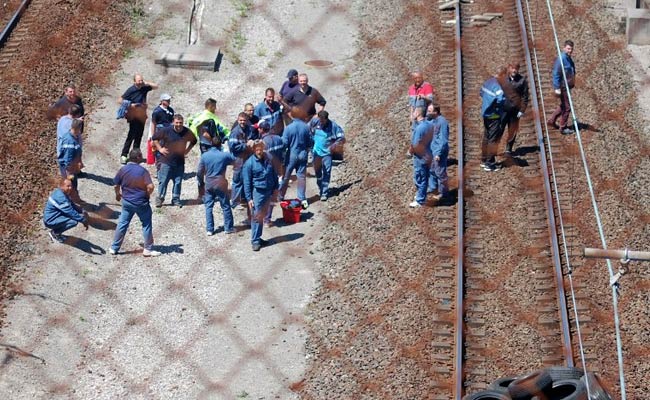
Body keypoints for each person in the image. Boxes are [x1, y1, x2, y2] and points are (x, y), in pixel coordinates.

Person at [109, 149, 160, 257]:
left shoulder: (123, 170)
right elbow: (150, 186)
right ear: (137, 157)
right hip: (141, 203)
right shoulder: (142, 171)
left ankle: (114, 248)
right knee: (146, 224)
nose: (142, 157)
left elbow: (115, 185)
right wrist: (147, 194)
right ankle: (147, 249)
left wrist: (118, 194)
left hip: (127, 202)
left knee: (122, 223)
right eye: (141, 155)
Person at [151, 114, 197, 207]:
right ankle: (160, 198)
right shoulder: (166, 130)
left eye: (180, 123)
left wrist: (186, 151)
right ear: (173, 122)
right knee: (163, 181)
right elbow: (154, 138)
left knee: (178, 182)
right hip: (166, 161)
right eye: (177, 122)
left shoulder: (186, 131)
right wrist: (160, 149)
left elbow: (194, 140)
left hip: (179, 162)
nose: (179, 125)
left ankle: (175, 199)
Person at [242, 140, 279, 251]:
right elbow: (247, 183)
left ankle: (258, 237)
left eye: (260, 149)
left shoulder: (268, 159)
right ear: (253, 150)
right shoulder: (249, 164)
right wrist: (249, 198)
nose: (259, 151)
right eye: (257, 149)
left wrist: (275, 188)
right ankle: (255, 241)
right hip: (258, 193)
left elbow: (273, 174)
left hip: (268, 191)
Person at [197, 136, 237, 236]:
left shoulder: (205, 156)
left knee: (208, 207)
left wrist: (201, 183)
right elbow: (235, 161)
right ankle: (228, 228)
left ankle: (210, 229)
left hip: (209, 183)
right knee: (225, 206)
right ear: (220, 144)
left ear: (211, 143)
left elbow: (199, 172)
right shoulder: (224, 155)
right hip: (221, 182)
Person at [117, 74, 159, 164]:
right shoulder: (131, 90)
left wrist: (146, 83)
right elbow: (120, 100)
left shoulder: (144, 87)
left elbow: (156, 86)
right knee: (131, 135)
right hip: (133, 115)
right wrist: (131, 105)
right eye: (138, 81)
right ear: (134, 81)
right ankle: (124, 155)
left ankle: (135, 155)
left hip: (142, 115)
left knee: (139, 135)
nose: (140, 82)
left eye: (141, 80)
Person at [309, 110, 345, 201]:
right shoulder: (314, 122)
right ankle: (320, 184)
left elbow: (341, 137)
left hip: (327, 154)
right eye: (319, 120)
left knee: (327, 172)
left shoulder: (333, 126)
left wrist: (334, 146)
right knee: (318, 173)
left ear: (326, 119)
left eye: (322, 121)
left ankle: (324, 192)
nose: (321, 122)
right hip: (316, 153)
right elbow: (308, 132)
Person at [279, 114, 312, 208]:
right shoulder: (306, 127)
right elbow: (310, 141)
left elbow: (284, 143)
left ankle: (281, 196)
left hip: (291, 155)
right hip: (303, 154)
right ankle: (302, 198)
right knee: (301, 177)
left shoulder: (289, 128)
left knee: (286, 176)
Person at [43, 178, 89, 243]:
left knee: (73, 218)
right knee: (73, 222)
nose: (70, 188)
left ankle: (56, 230)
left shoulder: (62, 192)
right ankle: (55, 233)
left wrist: (82, 210)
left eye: (71, 186)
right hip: (50, 220)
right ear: (62, 186)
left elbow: (72, 205)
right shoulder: (60, 197)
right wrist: (83, 220)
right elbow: (70, 212)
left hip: (56, 215)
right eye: (68, 186)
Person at [228, 112, 258, 210]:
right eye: (240, 120)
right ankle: (235, 202)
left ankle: (244, 199)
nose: (242, 122)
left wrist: (254, 142)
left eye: (244, 120)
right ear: (237, 120)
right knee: (237, 181)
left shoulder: (249, 130)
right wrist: (246, 145)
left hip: (248, 158)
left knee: (247, 178)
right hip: (238, 159)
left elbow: (253, 139)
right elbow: (232, 147)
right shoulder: (235, 132)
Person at [480, 67, 507, 172]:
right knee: (493, 139)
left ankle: (483, 159)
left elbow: (481, 92)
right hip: (494, 115)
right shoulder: (498, 86)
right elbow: (501, 99)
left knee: (486, 137)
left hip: (485, 114)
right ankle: (490, 163)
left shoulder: (488, 82)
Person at [259, 120, 286, 225]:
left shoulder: (263, 142)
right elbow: (283, 153)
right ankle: (267, 218)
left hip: (267, 171)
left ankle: (263, 217)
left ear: (261, 130)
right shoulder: (279, 139)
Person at [547, 40, 576, 135]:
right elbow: (556, 73)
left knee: (564, 105)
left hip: (567, 85)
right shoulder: (561, 59)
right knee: (567, 107)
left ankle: (552, 120)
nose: (570, 51)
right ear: (564, 48)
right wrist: (556, 87)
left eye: (571, 49)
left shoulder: (568, 58)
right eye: (568, 48)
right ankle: (563, 127)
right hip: (563, 87)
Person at [502, 61, 529, 155]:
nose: (514, 70)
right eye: (512, 68)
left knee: (512, 130)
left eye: (516, 69)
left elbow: (525, 97)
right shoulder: (503, 79)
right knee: (499, 129)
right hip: (503, 109)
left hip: (515, 110)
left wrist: (522, 110)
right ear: (509, 69)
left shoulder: (522, 81)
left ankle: (508, 149)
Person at [409, 107, 433, 208]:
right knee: (424, 177)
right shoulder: (429, 124)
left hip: (420, 157)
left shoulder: (419, 128)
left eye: (414, 112)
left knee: (420, 178)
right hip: (427, 155)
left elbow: (416, 144)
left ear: (418, 114)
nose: (413, 113)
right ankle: (420, 195)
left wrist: (410, 152)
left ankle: (420, 200)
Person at [57, 119, 83, 199]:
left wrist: (79, 161)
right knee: (69, 186)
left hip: (72, 166)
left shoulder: (73, 136)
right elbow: (68, 158)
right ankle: (68, 201)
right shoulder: (70, 141)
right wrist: (69, 173)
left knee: (73, 185)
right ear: (78, 128)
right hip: (68, 168)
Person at [428, 105, 449, 201]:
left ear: (436, 112)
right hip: (431, 150)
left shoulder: (442, 122)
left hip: (438, 151)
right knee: (432, 170)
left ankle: (443, 193)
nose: (427, 112)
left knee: (440, 172)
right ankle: (433, 189)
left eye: (430, 111)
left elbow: (444, 140)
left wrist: (439, 154)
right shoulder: (431, 121)